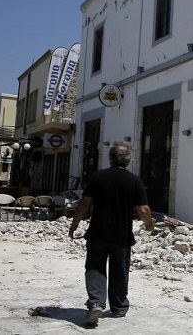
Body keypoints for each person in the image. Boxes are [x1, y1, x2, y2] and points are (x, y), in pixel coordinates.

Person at [69, 140, 155, 328]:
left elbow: (84, 203)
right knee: (120, 270)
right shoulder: (134, 180)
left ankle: (96, 303)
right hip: (121, 236)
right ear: (128, 160)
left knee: (94, 268)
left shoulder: (97, 177)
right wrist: (149, 225)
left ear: (110, 158)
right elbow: (143, 209)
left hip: (97, 233)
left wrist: (74, 223)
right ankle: (118, 307)